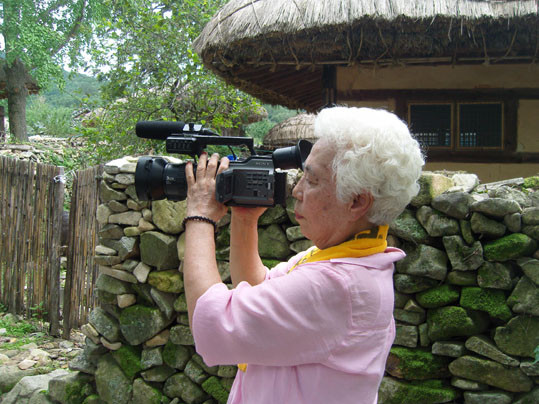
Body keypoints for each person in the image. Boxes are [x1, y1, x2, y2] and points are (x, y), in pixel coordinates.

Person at [182, 106, 424, 404]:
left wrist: (199, 215)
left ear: (356, 202)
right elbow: (260, 287)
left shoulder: (336, 284)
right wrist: (244, 220)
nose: (296, 190)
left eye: (312, 180)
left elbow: (212, 324)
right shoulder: (350, 259)